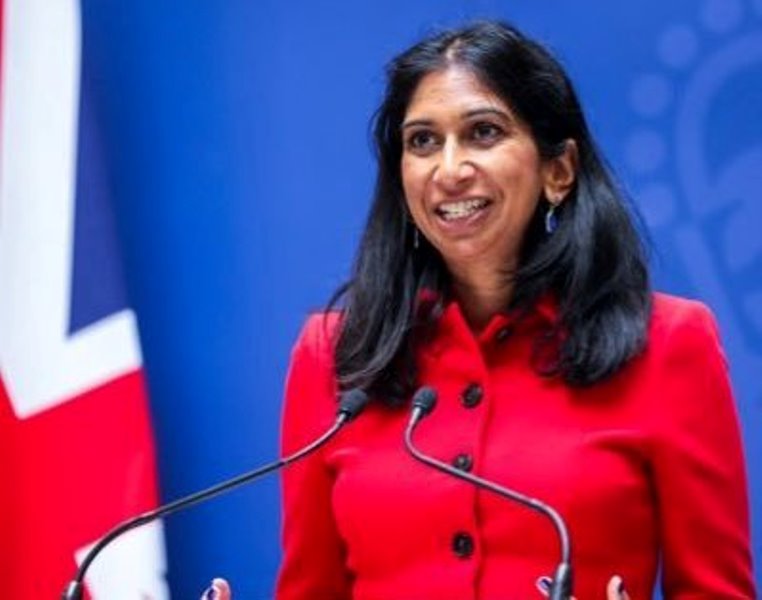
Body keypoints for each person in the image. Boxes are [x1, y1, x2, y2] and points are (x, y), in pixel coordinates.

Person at [203, 20, 755, 600]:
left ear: (559, 170)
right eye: (422, 141)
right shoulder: (333, 356)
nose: (449, 170)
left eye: (483, 133)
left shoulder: (668, 343)